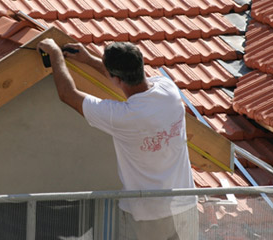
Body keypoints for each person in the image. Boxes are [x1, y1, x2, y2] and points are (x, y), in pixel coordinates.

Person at [37, 39, 198, 240]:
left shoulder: (123, 117)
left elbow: (67, 94)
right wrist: (88, 60)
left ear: (117, 79)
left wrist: (55, 54)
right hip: (185, 204)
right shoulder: (169, 90)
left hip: (147, 216)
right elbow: (129, 81)